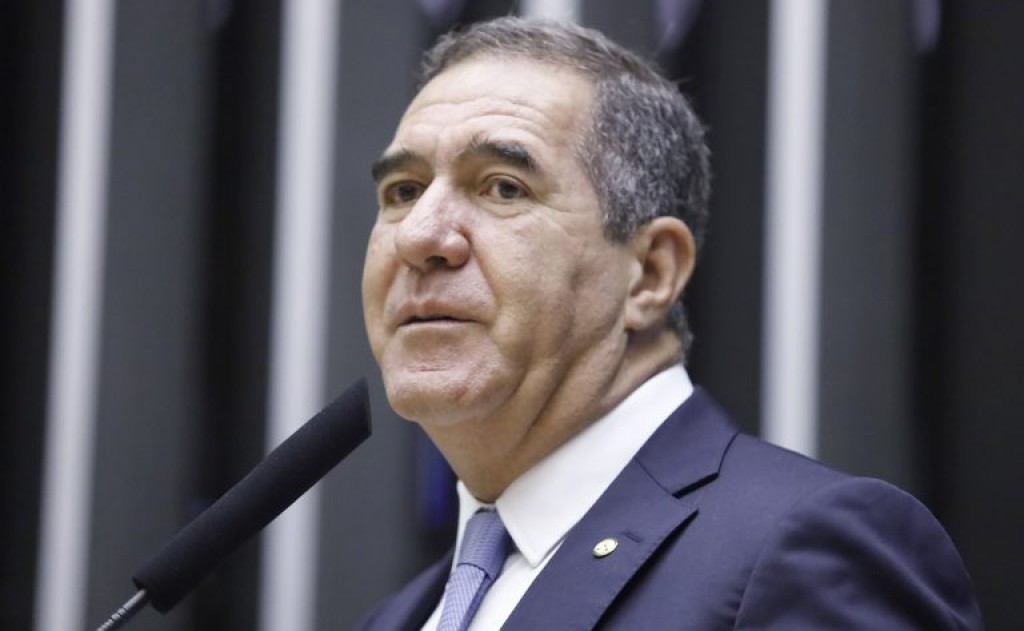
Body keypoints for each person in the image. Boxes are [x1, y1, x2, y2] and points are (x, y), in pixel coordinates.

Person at [357, 16, 982, 631]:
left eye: (503, 188)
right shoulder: (400, 618)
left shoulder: (810, 549)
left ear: (651, 274)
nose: (419, 236)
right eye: (404, 192)